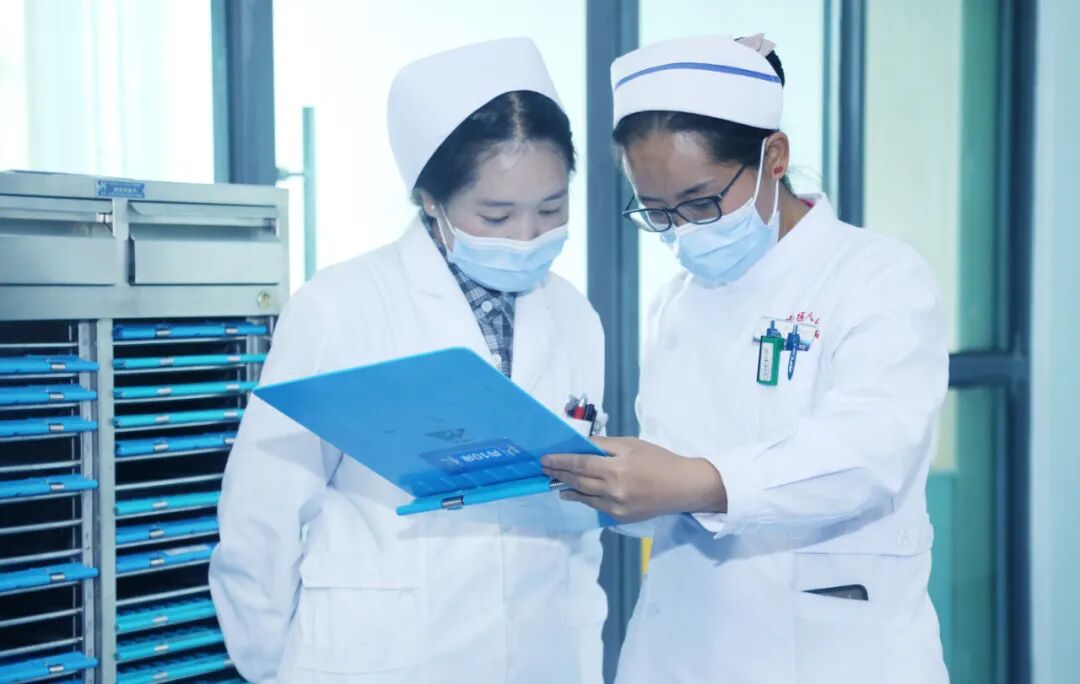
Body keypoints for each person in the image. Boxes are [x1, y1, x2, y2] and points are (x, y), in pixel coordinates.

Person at [542, 34, 950, 683]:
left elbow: (872, 452)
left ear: (774, 157)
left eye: (701, 201)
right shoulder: (675, 303)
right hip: (681, 649)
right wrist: (607, 482)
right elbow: (668, 489)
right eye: (657, 212)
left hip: (830, 656)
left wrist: (698, 482)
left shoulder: (876, 275)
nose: (683, 229)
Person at [210, 38, 607, 684]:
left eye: (551, 209)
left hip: (541, 660)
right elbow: (263, 517)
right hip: (374, 661)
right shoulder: (340, 306)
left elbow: (580, 532)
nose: (527, 237)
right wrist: (274, 668)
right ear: (430, 199)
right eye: (497, 215)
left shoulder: (575, 318)